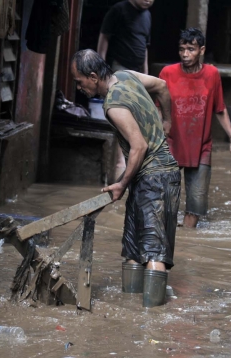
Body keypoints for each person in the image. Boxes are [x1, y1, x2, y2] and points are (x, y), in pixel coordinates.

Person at [70, 49, 180, 307]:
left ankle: (150, 324)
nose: (79, 87)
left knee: (154, 250)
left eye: (79, 81)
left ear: (94, 77)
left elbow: (139, 146)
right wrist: (167, 122)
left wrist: (121, 183)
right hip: (148, 176)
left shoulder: (112, 106)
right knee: (132, 247)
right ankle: (132, 313)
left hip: (157, 178)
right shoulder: (126, 76)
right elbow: (162, 86)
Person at [158, 28, 231, 229]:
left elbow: (219, 109)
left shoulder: (212, 74)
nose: (185, 54)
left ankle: (187, 244)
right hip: (171, 144)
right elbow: (156, 108)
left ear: (201, 50)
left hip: (201, 146)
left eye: (191, 49)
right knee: (164, 201)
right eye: (182, 49)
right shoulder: (167, 73)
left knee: (195, 205)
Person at [97, 0, 155, 180]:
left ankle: (125, 167)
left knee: (135, 117)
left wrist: (146, 76)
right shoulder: (118, 10)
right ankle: (118, 165)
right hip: (119, 69)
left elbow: (144, 47)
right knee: (121, 115)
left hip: (137, 72)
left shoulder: (147, 16)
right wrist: (100, 72)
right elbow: (104, 37)